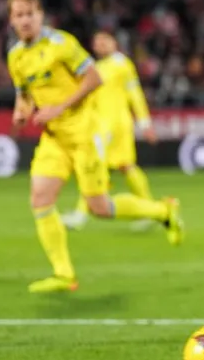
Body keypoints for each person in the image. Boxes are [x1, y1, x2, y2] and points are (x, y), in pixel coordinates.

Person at [6, 0, 184, 294]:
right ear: (11, 19)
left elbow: (93, 79)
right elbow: (24, 95)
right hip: (54, 138)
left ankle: (162, 212)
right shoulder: (15, 56)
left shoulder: (61, 44)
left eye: (29, 14)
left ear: (40, 15)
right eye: (18, 15)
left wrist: (59, 107)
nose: (24, 21)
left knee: (100, 207)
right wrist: (21, 114)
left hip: (86, 134)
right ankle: (64, 274)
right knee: (40, 198)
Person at [62, 30, 158, 232]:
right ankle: (153, 210)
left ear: (115, 42)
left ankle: (80, 214)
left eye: (105, 40)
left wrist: (145, 123)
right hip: (103, 124)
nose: (101, 45)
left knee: (93, 164)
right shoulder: (98, 67)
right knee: (126, 167)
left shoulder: (120, 64)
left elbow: (135, 94)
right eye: (97, 42)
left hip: (113, 125)